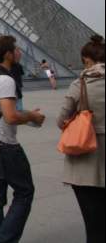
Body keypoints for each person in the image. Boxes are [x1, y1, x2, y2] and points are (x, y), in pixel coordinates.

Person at [0, 35, 45, 243]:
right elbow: (10, 116)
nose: (19, 52)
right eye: (16, 49)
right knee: (25, 192)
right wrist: (33, 116)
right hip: (6, 146)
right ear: (8, 54)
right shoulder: (5, 80)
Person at [56, 35, 105, 243]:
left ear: (87, 60)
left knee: (93, 224)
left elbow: (61, 120)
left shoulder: (80, 84)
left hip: (86, 158)